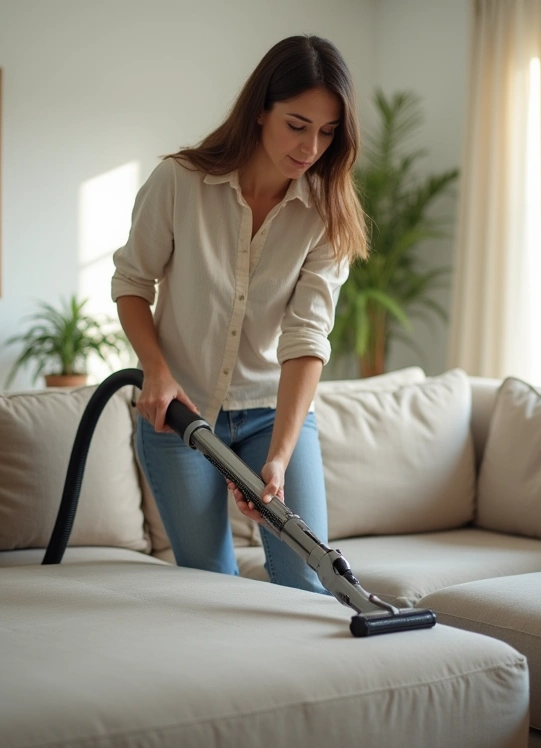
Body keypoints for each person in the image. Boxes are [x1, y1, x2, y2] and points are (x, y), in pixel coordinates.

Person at [111, 34, 367, 594]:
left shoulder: (326, 215)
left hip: (268, 415)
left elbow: (307, 335)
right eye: (296, 125)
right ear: (259, 113)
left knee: (306, 579)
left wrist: (279, 456)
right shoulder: (179, 183)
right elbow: (132, 282)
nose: (310, 147)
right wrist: (155, 370)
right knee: (212, 583)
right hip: (179, 416)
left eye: (327, 133)